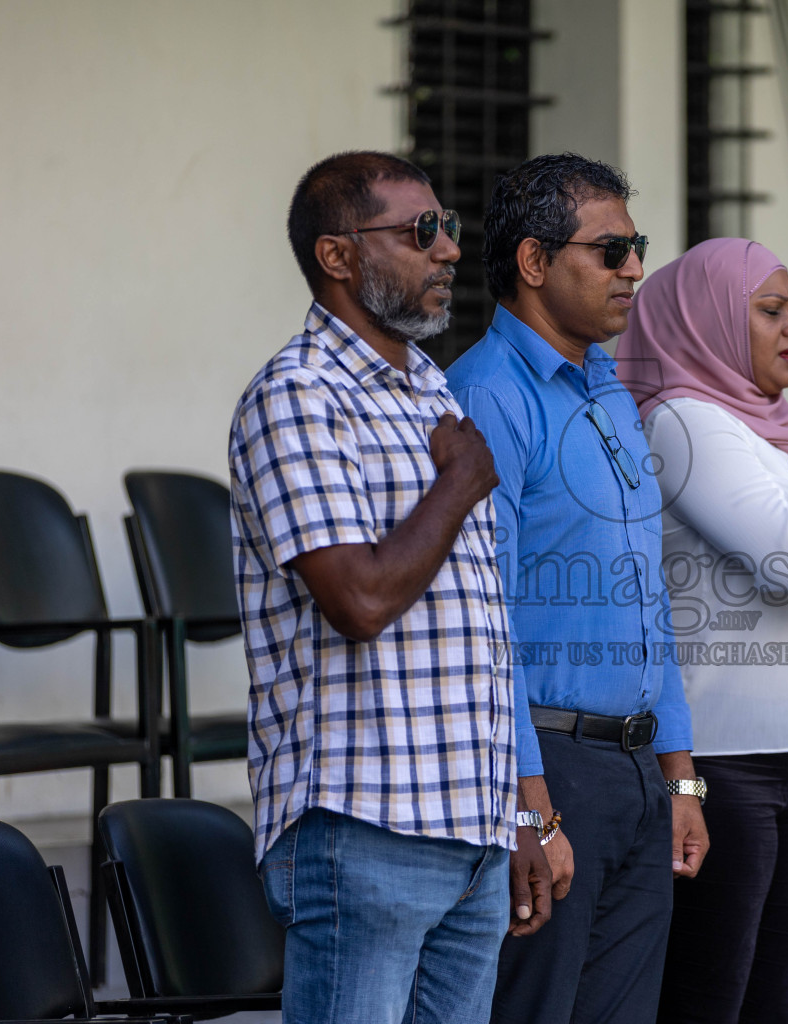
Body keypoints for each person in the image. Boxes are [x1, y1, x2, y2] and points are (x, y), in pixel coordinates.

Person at [229, 151, 560, 1024]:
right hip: (364, 825)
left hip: (470, 830)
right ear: (338, 256)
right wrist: (458, 484)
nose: (449, 250)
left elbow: (481, 635)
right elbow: (360, 601)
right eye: (422, 232)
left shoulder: (428, 391)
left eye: (447, 229)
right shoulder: (297, 396)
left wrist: (520, 819)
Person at [447, 152, 708, 1024]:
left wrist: (680, 780)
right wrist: (531, 809)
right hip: (550, 769)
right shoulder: (488, 397)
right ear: (534, 262)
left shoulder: (607, 390)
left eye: (638, 246)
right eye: (611, 250)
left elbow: (649, 609)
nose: (635, 268)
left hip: (635, 772)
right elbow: (486, 628)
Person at [613, 237, 788, 1024]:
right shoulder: (683, 425)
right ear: (706, 324)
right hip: (722, 767)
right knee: (711, 998)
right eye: (771, 310)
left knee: (771, 1001)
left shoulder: (774, 428)